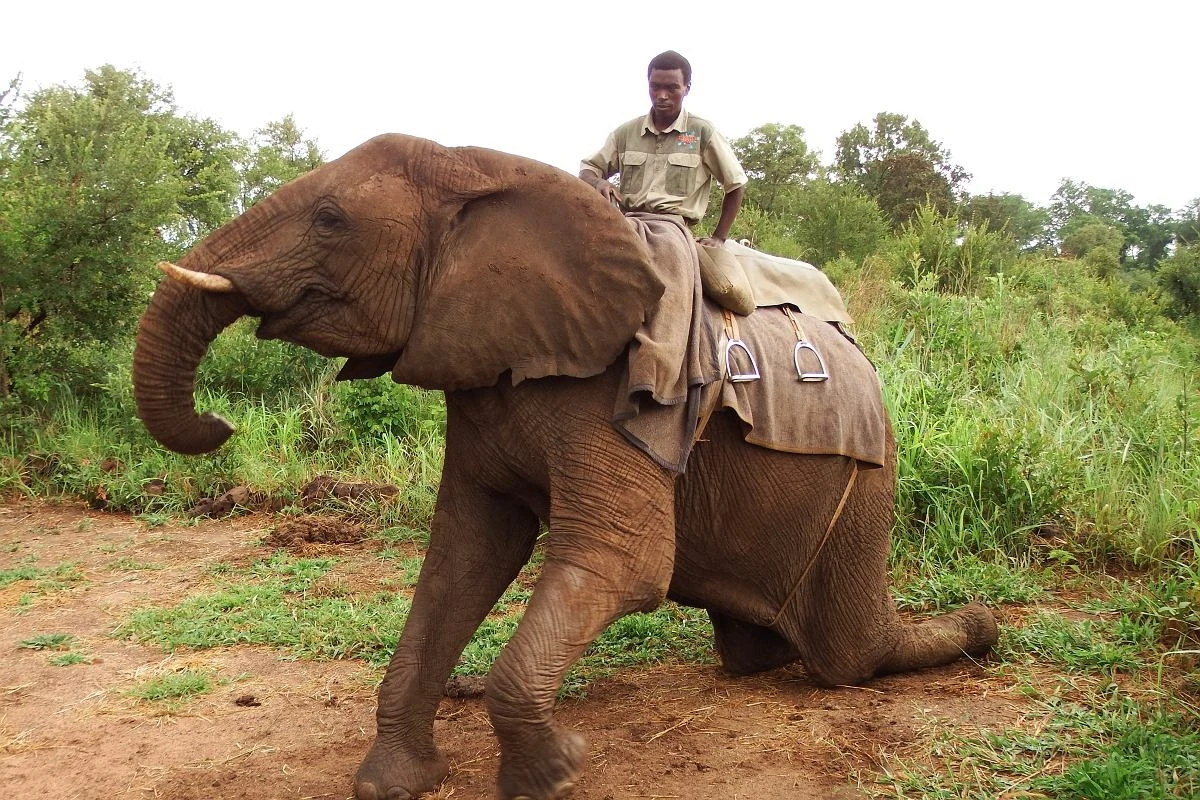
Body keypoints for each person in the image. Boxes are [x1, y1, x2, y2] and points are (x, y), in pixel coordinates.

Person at [579, 50, 747, 247]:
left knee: (669, 268)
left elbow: (736, 184)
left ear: (687, 88)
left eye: (672, 88)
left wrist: (719, 237)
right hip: (626, 225)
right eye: (655, 87)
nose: (662, 96)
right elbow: (588, 168)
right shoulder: (625, 133)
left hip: (673, 231)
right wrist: (598, 182)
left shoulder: (702, 132)